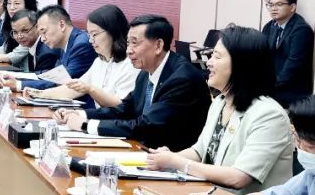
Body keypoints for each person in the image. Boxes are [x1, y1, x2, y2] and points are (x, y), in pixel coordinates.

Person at [144, 26, 293, 193]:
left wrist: (177, 162)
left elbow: (239, 177)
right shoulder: (219, 102)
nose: (209, 62)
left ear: (241, 64)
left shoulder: (269, 115)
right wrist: (167, 158)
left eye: (217, 56)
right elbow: (200, 152)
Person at [56, 14, 210, 149]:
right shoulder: (145, 72)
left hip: (172, 160)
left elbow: (146, 125)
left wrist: (85, 125)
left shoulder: (181, 79)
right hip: (145, 150)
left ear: (158, 45)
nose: (128, 50)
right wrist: (81, 114)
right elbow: (124, 109)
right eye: (128, 43)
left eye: (135, 43)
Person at [19, 4, 138, 108]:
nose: (90, 40)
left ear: (113, 32)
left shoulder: (130, 64)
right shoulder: (99, 62)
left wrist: (91, 90)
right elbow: (73, 89)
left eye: (94, 34)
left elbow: (121, 106)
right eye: (89, 35)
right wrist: (39, 94)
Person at [3, 4, 94, 91]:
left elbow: (62, 80)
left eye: (44, 32)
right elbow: (53, 75)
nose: (42, 39)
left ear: (61, 25)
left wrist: (19, 85)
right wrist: (18, 78)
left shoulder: (81, 45)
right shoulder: (66, 43)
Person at [261, 0, 314, 108]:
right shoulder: (269, 27)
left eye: (279, 4)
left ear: (292, 7)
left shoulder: (301, 30)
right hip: (273, 89)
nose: (273, 8)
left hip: (292, 94)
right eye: (271, 5)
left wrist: (267, 87)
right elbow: (262, 56)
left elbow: (293, 66)